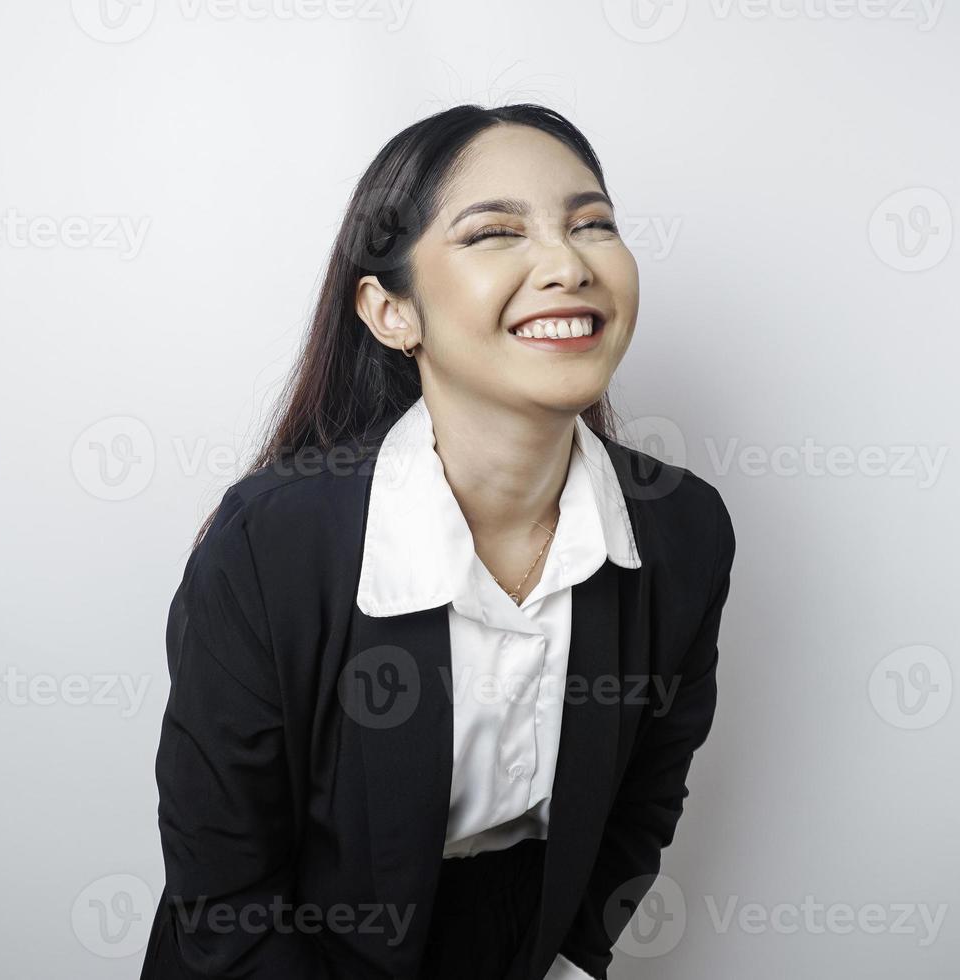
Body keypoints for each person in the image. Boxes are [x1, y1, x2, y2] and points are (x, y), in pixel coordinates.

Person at [140, 102, 735, 980]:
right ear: (391, 313)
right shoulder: (273, 540)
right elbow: (224, 886)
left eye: (592, 224)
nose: (566, 264)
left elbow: (644, 797)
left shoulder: (683, 529)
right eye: (495, 232)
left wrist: (572, 958)